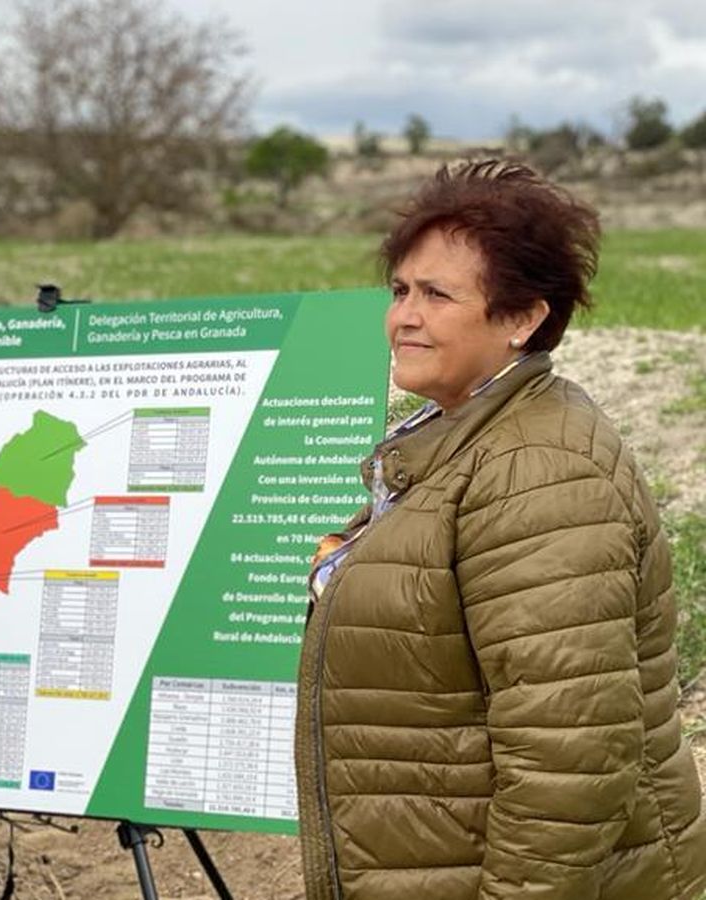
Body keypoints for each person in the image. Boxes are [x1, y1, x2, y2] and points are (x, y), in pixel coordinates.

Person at [295, 160, 706, 899]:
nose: (404, 317)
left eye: (437, 295)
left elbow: (569, 757)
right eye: (400, 291)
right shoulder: (457, 439)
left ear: (522, 319)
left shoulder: (539, 470)